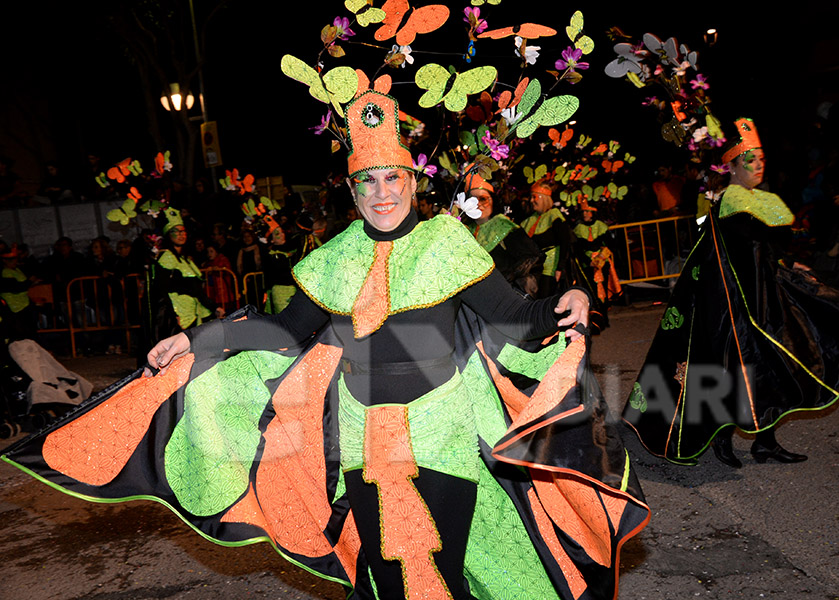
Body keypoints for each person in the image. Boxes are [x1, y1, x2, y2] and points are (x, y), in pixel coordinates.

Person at [3, 87, 649, 600]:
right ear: (350, 189)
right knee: (385, 576)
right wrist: (194, 337)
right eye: (367, 182)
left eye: (392, 178)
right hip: (362, 448)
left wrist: (570, 302)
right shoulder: (333, 259)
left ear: (411, 179)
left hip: (445, 439)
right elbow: (280, 332)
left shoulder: (448, 242)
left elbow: (518, 315)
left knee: (442, 567)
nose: (382, 193)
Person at [624, 118, 839, 468]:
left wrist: (788, 264)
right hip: (733, 304)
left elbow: (766, 248)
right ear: (733, 168)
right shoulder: (729, 201)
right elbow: (733, 254)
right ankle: (721, 437)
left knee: (772, 367)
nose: (758, 165)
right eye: (750, 160)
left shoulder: (762, 200)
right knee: (732, 370)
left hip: (764, 296)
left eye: (761, 159)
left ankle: (765, 442)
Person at [464, 171, 542, 295]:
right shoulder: (465, 230)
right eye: (472, 200)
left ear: (493, 201)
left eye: (483, 199)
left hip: (505, 296)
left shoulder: (503, 225)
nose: (478, 204)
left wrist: (506, 278)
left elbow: (531, 256)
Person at [150, 209, 223, 339]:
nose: (181, 234)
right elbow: (162, 290)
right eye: (176, 231)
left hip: (193, 313)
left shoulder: (185, 259)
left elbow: (196, 290)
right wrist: (172, 316)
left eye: (182, 231)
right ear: (168, 234)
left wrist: (214, 307)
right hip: (179, 316)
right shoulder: (166, 257)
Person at [520, 181, 573, 298]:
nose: (531, 200)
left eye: (534, 197)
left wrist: (560, 268)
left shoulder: (554, 215)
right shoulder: (529, 220)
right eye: (531, 197)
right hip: (534, 267)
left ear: (544, 198)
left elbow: (565, 242)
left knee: (546, 297)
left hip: (551, 266)